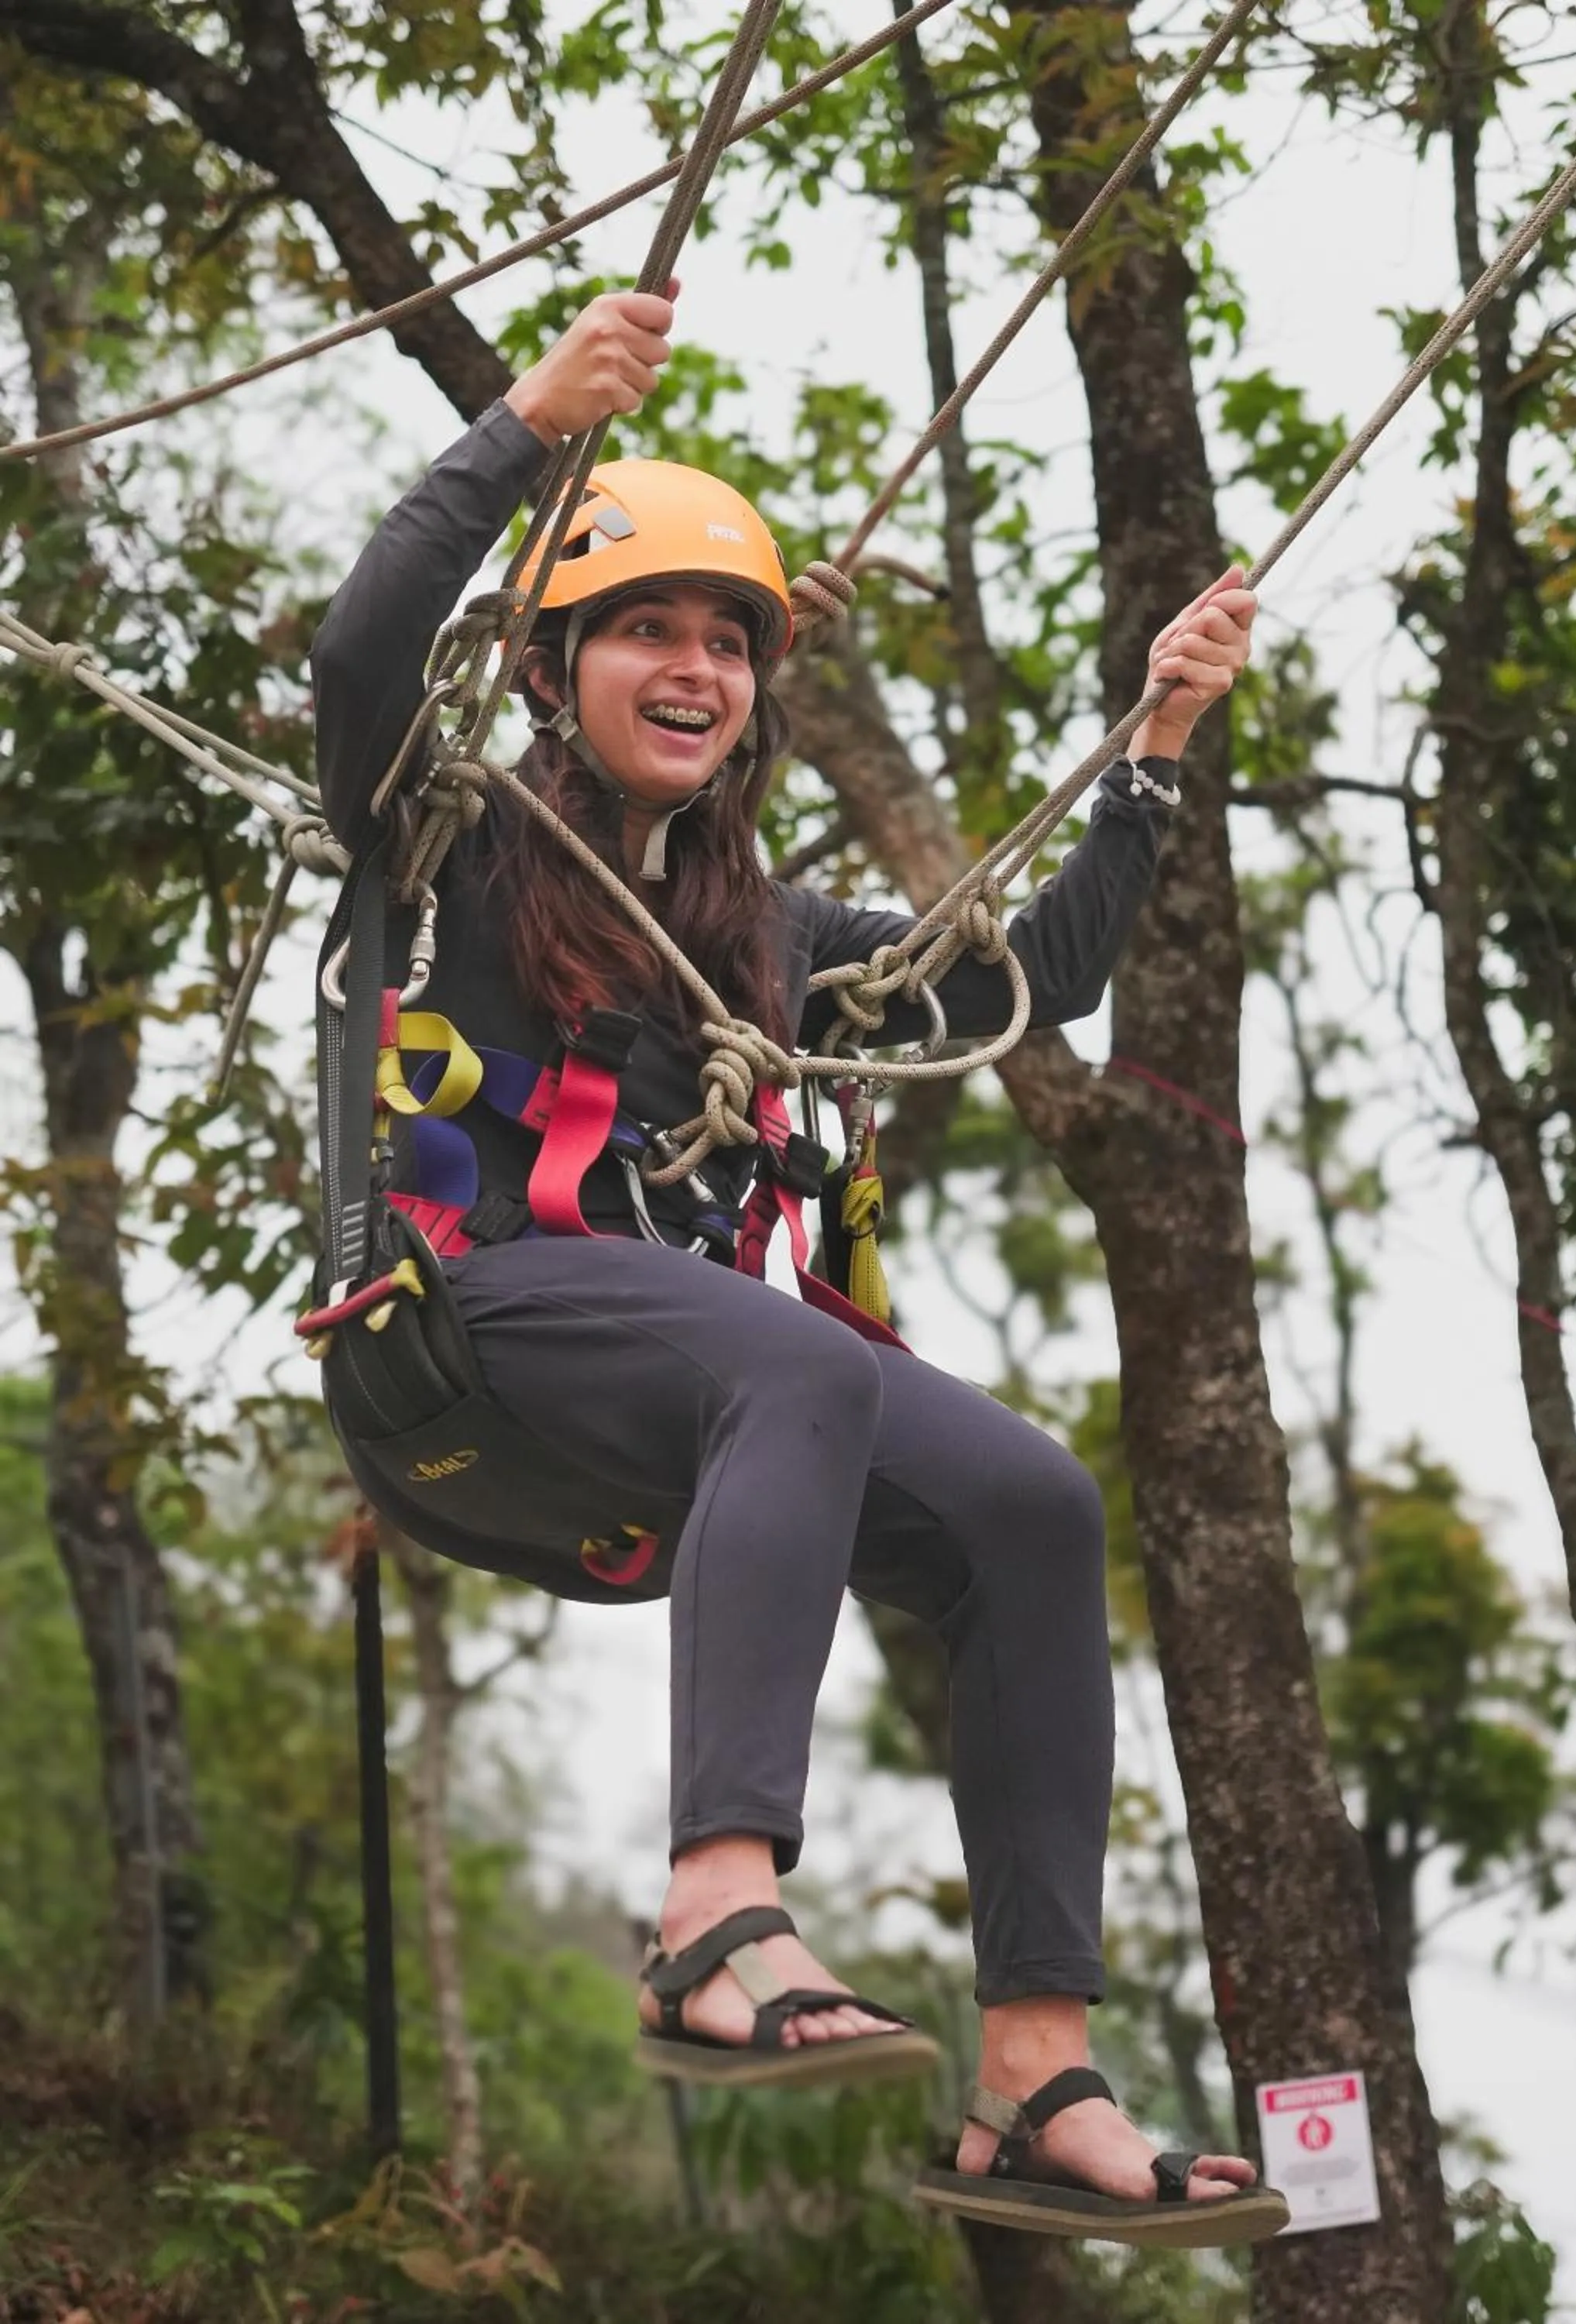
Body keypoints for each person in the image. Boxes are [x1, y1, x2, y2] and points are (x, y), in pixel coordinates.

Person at [313, 287, 1278, 2245]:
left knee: (1032, 1502)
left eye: (729, 642)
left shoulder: (770, 930)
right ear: (554, 663)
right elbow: (360, 651)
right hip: (462, 1328)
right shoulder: (445, 834)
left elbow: (1030, 982)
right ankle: (715, 1909)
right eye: (648, 630)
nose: (697, 669)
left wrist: (1157, 746)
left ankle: (1036, 2074)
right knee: (800, 1356)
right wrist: (527, 424)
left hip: (680, 1392)